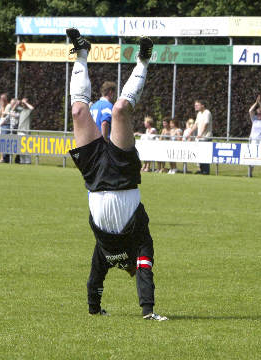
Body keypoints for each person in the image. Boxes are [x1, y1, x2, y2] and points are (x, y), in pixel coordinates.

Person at [66, 27, 167, 321]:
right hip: (123, 177)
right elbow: (146, 267)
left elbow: (94, 278)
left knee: (77, 112)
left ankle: (82, 52)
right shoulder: (141, 244)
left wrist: (94, 309)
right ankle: (143, 60)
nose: (135, 269)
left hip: (95, 179)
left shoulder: (105, 251)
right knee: (121, 108)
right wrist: (148, 311)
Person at [188, 100, 213, 174]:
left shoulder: (207, 113)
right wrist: (190, 132)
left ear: (202, 105)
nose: (195, 106)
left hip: (206, 137)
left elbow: (206, 124)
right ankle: (202, 170)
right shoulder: (199, 113)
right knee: (200, 155)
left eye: (197, 105)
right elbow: (196, 124)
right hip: (200, 138)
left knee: (205, 155)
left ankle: (205, 171)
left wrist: (201, 134)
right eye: (195, 105)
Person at [14, 98, 35, 164]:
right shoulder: (21, 110)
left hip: (26, 132)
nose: (23, 104)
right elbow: (13, 109)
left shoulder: (29, 111)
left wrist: (25, 102)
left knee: (27, 148)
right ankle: (22, 161)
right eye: (22, 103)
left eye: (24, 103)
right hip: (19, 132)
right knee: (20, 149)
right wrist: (17, 103)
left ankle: (28, 162)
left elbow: (32, 108)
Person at [0, 94, 12, 163]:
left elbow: (4, 115)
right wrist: (1, 107)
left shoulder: (8, 106)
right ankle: (3, 158)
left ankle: (4, 158)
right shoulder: (2, 106)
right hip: (1, 126)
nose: (1, 100)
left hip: (6, 125)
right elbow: (0, 115)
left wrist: (2, 107)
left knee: (5, 142)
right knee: (1, 142)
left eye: (2, 99)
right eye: (1, 99)